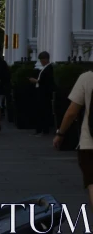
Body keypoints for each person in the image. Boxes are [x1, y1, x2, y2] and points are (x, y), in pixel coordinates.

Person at [54, 69, 93, 210]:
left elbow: (71, 112)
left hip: (89, 142)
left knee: (92, 182)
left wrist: (60, 133)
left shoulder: (87, 78)